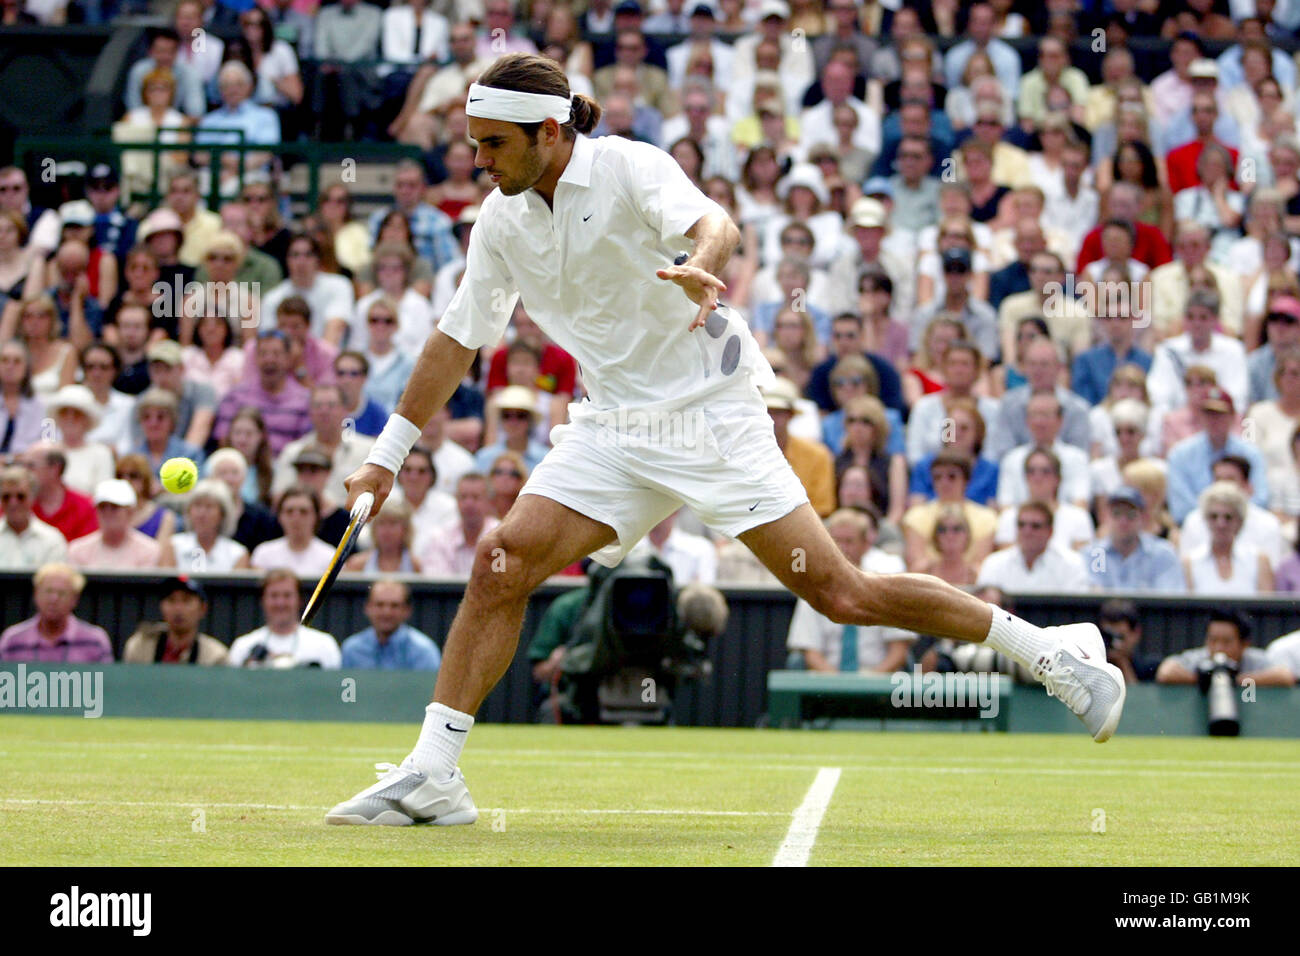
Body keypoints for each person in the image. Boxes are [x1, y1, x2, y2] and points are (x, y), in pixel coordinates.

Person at [326, 55, 1126, 828]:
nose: (476, 161)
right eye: (472, 144)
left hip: (710, 413)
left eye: (491, 144)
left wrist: (702, 266)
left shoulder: (627, 166)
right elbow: (456, 339)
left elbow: (718, 225)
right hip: (613, 425)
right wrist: (384, 456)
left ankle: (1053, 652)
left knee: (841, 593)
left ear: (547, 131)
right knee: (501, 561)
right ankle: (436, 772)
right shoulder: (499, 220)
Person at [786, 508, 916, 674]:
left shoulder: (885, 585)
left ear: (865, 545)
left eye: (849, 541)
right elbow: (810, 652)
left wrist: (868, 681)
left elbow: (898, 651)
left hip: (878, 682)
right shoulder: (812, 588)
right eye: (836, 541)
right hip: (824, 684)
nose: (841, 548)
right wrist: (837, 683)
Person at [0, 562, 113, 663]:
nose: (54, 599)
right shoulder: (12, 640)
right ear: (35, 594)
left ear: (75, 599)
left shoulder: (95, 641)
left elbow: (108, 684)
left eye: (62, 593)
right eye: (48, 591)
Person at [227, 569, 341, 668]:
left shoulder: (324, 644)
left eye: (287, 595)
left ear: (299, 600)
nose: (280, 603)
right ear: (263, 600)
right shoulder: (243, 646)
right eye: (274, 595)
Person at [1085, 487, 1186, 592]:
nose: (1123, 521)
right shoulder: (1096, 554)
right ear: (1105, 517)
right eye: (1116, 513)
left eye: (1131, 515)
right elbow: (1093, 598)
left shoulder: (1162, 554)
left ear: (1143, 518)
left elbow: (1170, 601)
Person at [976, 501, 1091, 594]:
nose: (1027, 531)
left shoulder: (1072, 564)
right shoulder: (994, 564)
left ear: (1050, 531)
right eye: (1021, 525)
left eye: (1035, 526)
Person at [1183, 481, 1274, 595]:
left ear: (1240, 521)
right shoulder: (1189, 562)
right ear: (1205, 520)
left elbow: (1266, 609)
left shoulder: (1259, 560)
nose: (1220, 524)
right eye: (1213, 517)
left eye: (1228, 517)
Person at [1155, 611, 1292, 686]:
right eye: (1212, 640)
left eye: (1227, 642)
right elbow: (1166, 672)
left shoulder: (1254, 659)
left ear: (1244, 644)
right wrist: (1204, 680)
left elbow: (1285, 676)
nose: (1218, 647)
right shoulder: (1198, 658)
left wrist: (1235, 680)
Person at [121, 576, 229, 665]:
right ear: (161, 607)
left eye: (186, 600)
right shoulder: (140, 646)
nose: (178, 608)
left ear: (203, 609)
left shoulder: (216, 656)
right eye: (171, 600)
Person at [340, 579, 442, 671]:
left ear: (407, 610)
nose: (386, 613)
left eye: (394, 606)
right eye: (380, 605)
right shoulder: (352, 649)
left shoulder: (424, 652)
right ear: (367, 608)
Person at [164, 479, 250, 573]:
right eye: (197, 506)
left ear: (222, 514)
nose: (201, 513)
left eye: (209, 507)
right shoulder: (173, 546)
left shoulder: (237, 554)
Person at [250, 485, 335, 576]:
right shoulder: (263, 554)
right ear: (279, 516)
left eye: (303, 512)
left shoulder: (331, 557)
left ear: (316, 516)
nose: (296, 518)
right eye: (289, 511)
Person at [22, 442, 97, 544]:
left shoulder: (86, 507)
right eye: (23, 466)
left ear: (55, 469)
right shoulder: (15, 502)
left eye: (30, 466)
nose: (23, 472)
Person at [0, 464, 67, 569]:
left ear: (33, 498)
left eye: (20, 497)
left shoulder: (52, 539)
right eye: (6, 497)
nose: (13, 503)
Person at [1097, 599, 1160, 685]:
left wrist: (1122, 663)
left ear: (1136, 633)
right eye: (1108, 637)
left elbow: (1138, 696)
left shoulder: (1150, 668)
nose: (1114, 643)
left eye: (1120, 637)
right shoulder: (1093, 665)